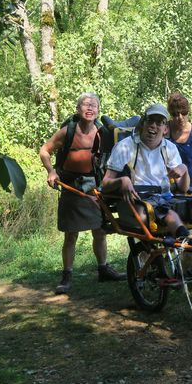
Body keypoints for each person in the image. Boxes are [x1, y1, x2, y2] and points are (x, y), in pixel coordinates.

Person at [101, 103, 192, 267]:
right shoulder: (125, 146)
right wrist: (122, 180)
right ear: (143, 123)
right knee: (170, 215)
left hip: (165, 197)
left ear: (165, 129)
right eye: (150, 120)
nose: (153, 126)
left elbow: (183, 189)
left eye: (159, 123)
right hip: (140, 199)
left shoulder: (169, 148)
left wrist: (184, 170)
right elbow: (105, 184)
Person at [40, 92, 125, 295]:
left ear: (98, 111)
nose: (89, 108)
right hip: (70, 184)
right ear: (78, 109)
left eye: (94, 105)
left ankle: (103, 269)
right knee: (71, 235)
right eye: (85, 105)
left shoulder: (102, 133)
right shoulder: (67, 131)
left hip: (93, 186)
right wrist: (51, 171)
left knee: (100, 230)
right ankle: (67, 276)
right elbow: (45, 150)